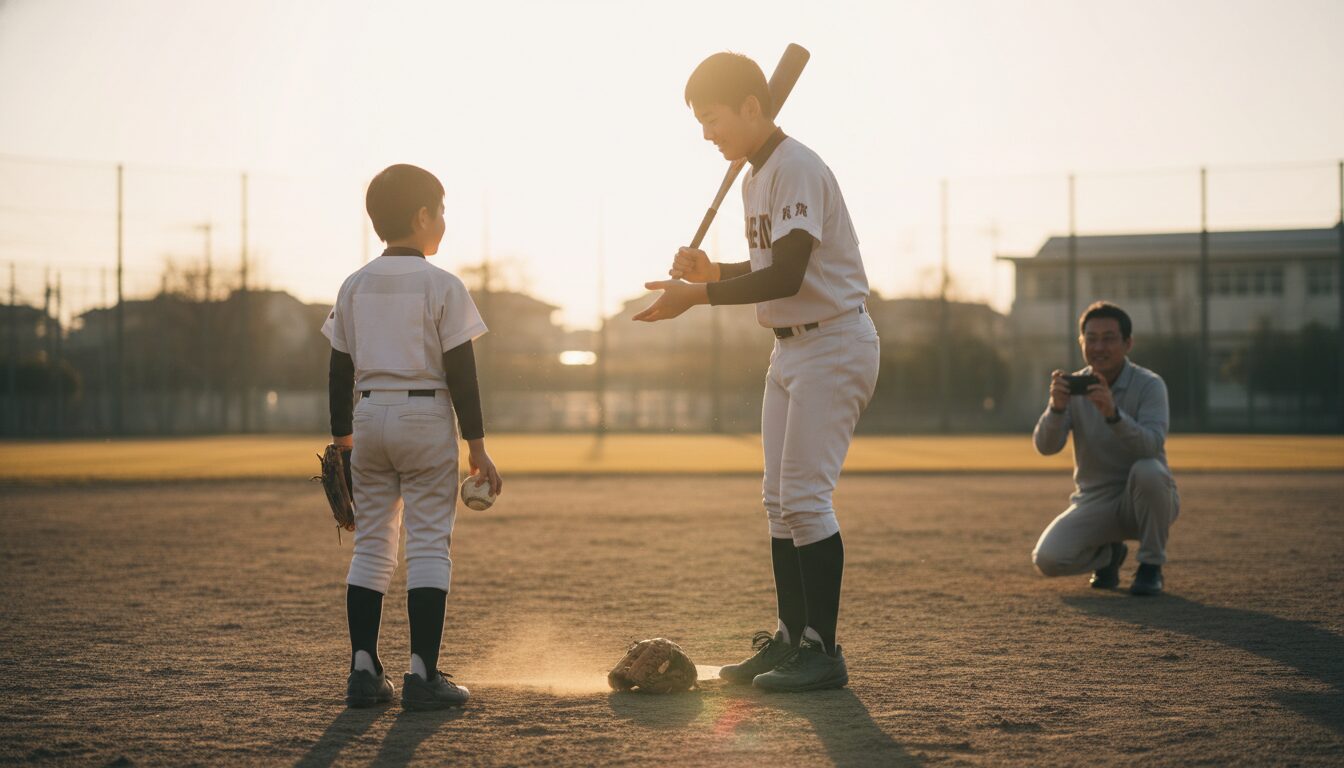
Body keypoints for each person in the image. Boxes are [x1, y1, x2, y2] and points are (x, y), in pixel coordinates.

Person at [635, 52, 880, 691]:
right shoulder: (755, 177)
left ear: (751, 106)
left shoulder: (795, 166)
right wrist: (714, 274)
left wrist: (699, 298)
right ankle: (790, 639)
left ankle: (823, 652)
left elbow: (792, 273)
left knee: (804, 498)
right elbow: (768, 266)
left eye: (712, 118)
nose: (706, 133)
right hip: (791, 347)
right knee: (777, 503)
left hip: (833, 341)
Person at [322, 163, 503, 710]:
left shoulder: (353, 284)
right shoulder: (441, 284)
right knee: (427, 542)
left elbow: (337, 370)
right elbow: (461, 371)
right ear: (422, 216)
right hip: (425, 417)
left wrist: (344, 444)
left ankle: (363, 668)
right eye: (441, 210)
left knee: (373, 544)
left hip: (369, 416)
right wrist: (477, 445)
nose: (443, 220)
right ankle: (423, 676)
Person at [1031, 301, 1179, 596]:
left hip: (1145, 501)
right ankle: (1109, 556)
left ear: (1128, 343)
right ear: (1081, 342)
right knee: (1047, 559)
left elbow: (1151, 446)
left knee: (1148, 470)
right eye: (1092, 338)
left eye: (1109, 338)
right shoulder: (1075, 387)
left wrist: (1113, 415)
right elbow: (1046, 447)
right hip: (1094, 500)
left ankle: (1151, 565)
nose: (1100, 347)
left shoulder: (1150, 385)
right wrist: (1056, 409)